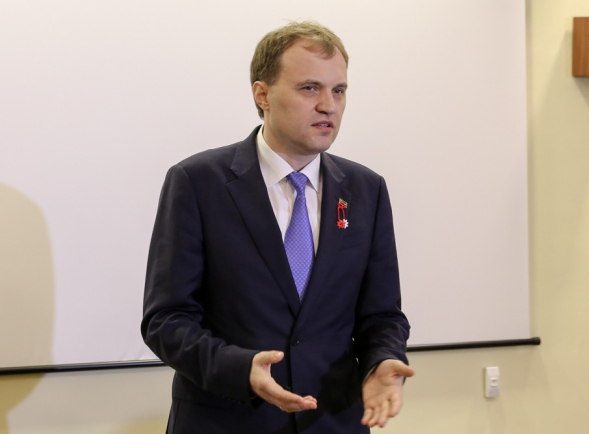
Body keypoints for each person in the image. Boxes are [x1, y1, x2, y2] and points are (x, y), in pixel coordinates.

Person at [142, 21, 413, 434]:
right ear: (262, 94)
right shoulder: (197, 182)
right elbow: (166, 319)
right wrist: (240, 368)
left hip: (332, 421)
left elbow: (382, 314)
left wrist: (384, 358)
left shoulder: (366, 190)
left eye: (339, 90)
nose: (328, 105)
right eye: (310, 88)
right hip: (227, 422)